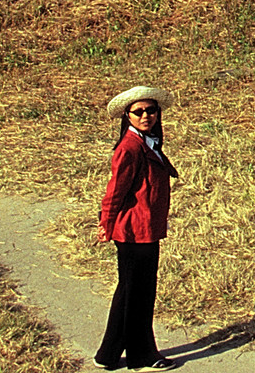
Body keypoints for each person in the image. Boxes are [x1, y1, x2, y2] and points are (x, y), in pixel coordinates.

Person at [94, 85, 181, 372]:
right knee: (140, 293)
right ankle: (142, 356)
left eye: (151, 110)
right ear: (127, 116)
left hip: (144, 228)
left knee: (129, 289)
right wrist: (106, 224)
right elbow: (115, 191)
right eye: (139, 112)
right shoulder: (130, 147)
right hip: (134, 231)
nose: (146, 116)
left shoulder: (146, 142)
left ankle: (107, 355)